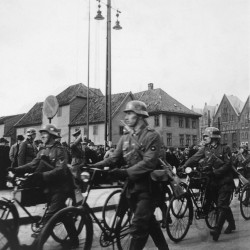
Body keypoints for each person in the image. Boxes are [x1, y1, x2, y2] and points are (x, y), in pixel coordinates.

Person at [89, 100, 169, 250]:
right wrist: (94, 166)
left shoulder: (152, 136)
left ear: (139, 116)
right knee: (149, 222)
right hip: (130, 189)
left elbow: (148, 163)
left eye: (130, 113)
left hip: (148, 189)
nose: (126, 117)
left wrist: (125, 172)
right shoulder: (125, 137)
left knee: (138, 226)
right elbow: (114, 158)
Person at [10, 124, 78, 247]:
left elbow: (60, 170)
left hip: (62, 188)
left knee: (49, 217)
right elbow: (32, 165)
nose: (42, 135)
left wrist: (42, 176)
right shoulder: (43, 149)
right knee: (62, 214)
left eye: (45, 133)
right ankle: (74, 240)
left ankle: (35, 246)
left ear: (52, 136)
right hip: (49, 187)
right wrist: (16, 170)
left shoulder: (60, 150)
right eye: (41, 133)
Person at [182, 127, 235, 241]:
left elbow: (228, 165)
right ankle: (232, 224)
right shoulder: (205, 149)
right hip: (213, 182)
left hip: (225, 182)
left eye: (206, 136)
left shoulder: (225, 148)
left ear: (213, 137)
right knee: (221, 204)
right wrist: (184, 165)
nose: (204, 138)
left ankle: (217, 229)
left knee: (221, 204)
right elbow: (194, 158)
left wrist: (215, 172)